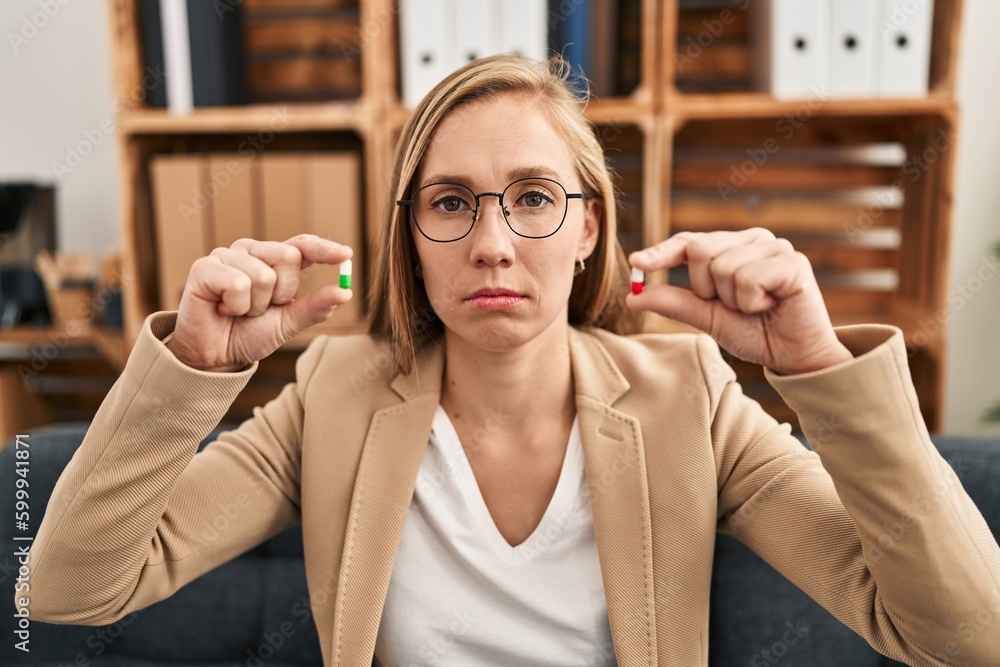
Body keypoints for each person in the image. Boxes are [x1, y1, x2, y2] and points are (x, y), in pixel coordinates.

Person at [18, 54, 1000, 666]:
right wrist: (189, 363)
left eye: (533, 197)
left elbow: (962, 634)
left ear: (587, 231)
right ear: (409, 238)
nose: (492, 241)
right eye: (451, 201)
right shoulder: (333, 396)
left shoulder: (686, 397)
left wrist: (817, 365)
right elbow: (68, 590)